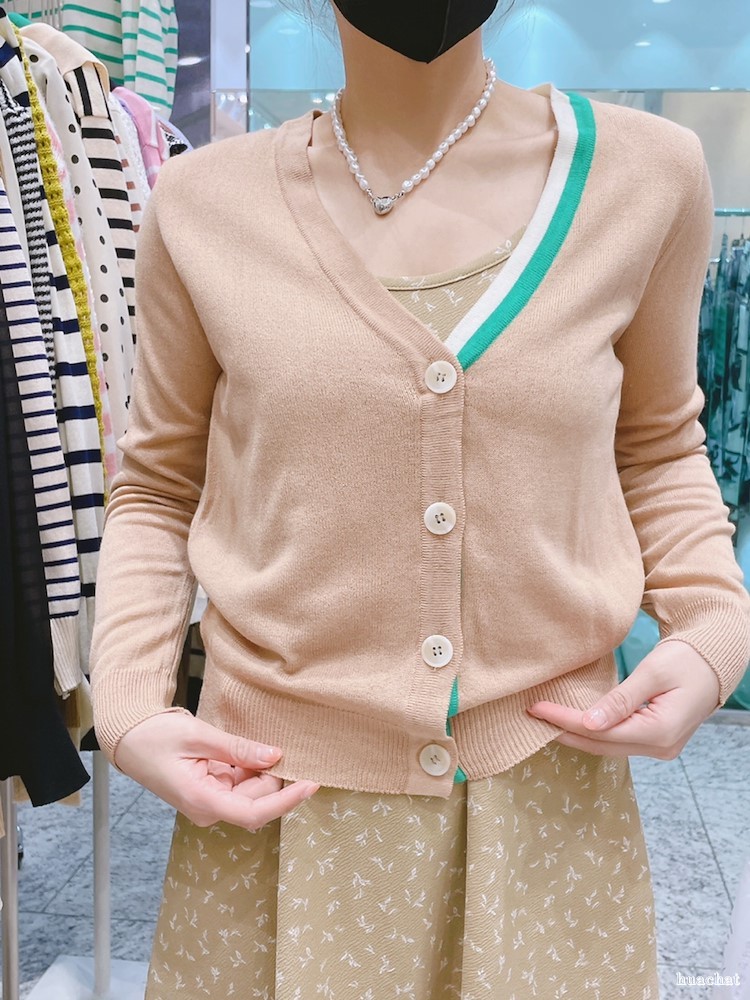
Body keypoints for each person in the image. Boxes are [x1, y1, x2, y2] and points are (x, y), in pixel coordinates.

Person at [89, 1, 750, 997]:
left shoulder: (646, 176)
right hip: (276, 808)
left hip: (547, 811)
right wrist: (130, 700)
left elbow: (657, 447)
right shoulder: (201, 203)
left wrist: (713, 625)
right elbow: (157, 484)